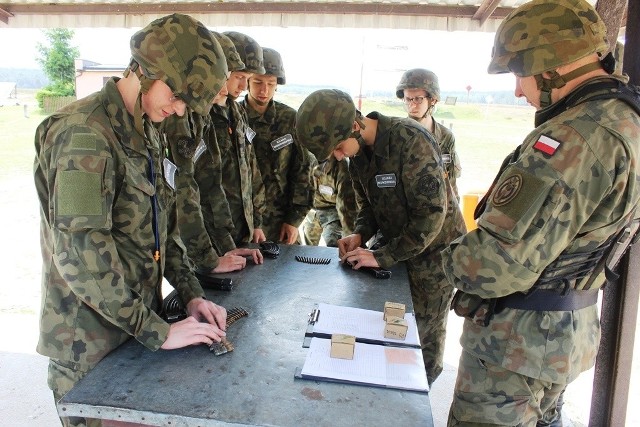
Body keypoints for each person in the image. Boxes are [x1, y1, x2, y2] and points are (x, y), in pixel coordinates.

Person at [441, 0, 640, 425]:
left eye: (519, 73)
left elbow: (491, 267)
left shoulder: (574, 137)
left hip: (516, 347)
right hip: (565, 333)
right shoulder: (627, 121)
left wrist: (451, 256)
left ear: (550, 64)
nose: (518, 90)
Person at [34, 14, 231, 427]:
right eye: (176, 95)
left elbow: (165, 226)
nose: (177, 109)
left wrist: (192, 295)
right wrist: (158, 331)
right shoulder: (83, 135)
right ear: (146, 69)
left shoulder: (146, 129)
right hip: (89, 344)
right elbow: (79, 253)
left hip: (133, 329)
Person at [295, 89, 467, 385]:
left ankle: (418, 398)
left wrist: (380, 256)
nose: (338, 155)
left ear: (354, 125)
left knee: (421, 338)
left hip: (433, 257)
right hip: (398, 251)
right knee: (389, 332)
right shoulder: (358, 155)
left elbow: (431, 217)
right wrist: (360, 234)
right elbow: (369, 206)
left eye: (337, 147)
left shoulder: (410, 141)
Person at [162, 32, 263, 277]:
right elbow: (185, 189)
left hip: (215, 238)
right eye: (235, 77)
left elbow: (211, 183)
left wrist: (229, 247)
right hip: (191, 245)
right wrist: (208, 258)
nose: (232, 88)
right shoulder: (178, 117)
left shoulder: (206, 115)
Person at [240, 47, 314, 244]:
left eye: (270, 84)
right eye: (258, 82)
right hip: (242, 221)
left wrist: (294, 220)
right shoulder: (235, 117)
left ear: (277, 85)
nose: (264, 90)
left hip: (282, 220)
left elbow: (303, 170)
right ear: (247, 81)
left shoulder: (290, 118)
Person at [203, 31, 267, 251]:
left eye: (248, 80)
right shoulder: (200, 116)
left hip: (242, 230)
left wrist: (256, 221)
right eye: (240, 77)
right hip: (211, 237)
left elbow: (250, 168)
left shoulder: (236, 112)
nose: (243, 86)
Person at [396, 68, 462, 200]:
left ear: (433, 100)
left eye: (418, 99)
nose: (412, 105)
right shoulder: (396, 135)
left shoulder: (445, 137)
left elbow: (451, 183)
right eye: (408, 99)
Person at [302, 155, 358, 247]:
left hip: (333, 211)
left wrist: (350, 235)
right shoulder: (306, 159)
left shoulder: (341, 165)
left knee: (333, 243)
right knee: (307, 244)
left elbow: (345, 205)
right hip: (312, 210)